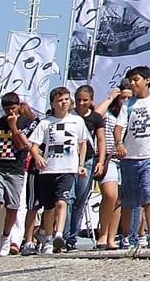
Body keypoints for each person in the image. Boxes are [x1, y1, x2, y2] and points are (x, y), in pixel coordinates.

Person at [104, 66, 150, 250]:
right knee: (129, 198)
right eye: (131, 81)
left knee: (149, 192)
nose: (133, 84)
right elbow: (118, 127)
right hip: (129, 157)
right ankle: (127, 235)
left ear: (147, 80)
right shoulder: (128, 105)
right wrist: (119, 143)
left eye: (136, 80)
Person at [0, 93, 39, 257]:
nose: (10, 112)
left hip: (16, 170)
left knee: (12, 207)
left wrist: (13, 127)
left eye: (13, 108)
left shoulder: (27, 123)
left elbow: (22, 146)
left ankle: (6, 236)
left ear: (18, 106)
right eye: (7, 109)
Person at [29, 88, 88, 254]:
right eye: (60, 100)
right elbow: (32, 145)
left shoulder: (77, 121)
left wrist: (81, 164)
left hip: (68, 168)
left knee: (62, 201)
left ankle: (59, 234)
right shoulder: (45, 123)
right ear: (53, 103)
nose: (64, 103)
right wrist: (37, 157)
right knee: (48, 208)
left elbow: (83, 143)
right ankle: (47, 237)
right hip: (48, 169)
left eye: (67, 99)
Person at [69, 85, 104, 248]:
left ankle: (72, 237)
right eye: (78, 100)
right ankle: (63, 234)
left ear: (91, 100)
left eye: (85, 100)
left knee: (80, 199)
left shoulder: (96, 118)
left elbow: (101, 140)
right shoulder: (69, 115)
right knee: (67, 198)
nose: (81, 103)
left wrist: (101, 161)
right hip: (69, 161)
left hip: (89, 160)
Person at [92, 101, 123, 250]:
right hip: (108, 158)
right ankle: (103, 234)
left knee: (118, 200)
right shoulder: (108, 115)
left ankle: (112, 237)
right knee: (110, 195)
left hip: (126, 159)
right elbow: (96, 114)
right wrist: (111, 97)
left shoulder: (131, 113)